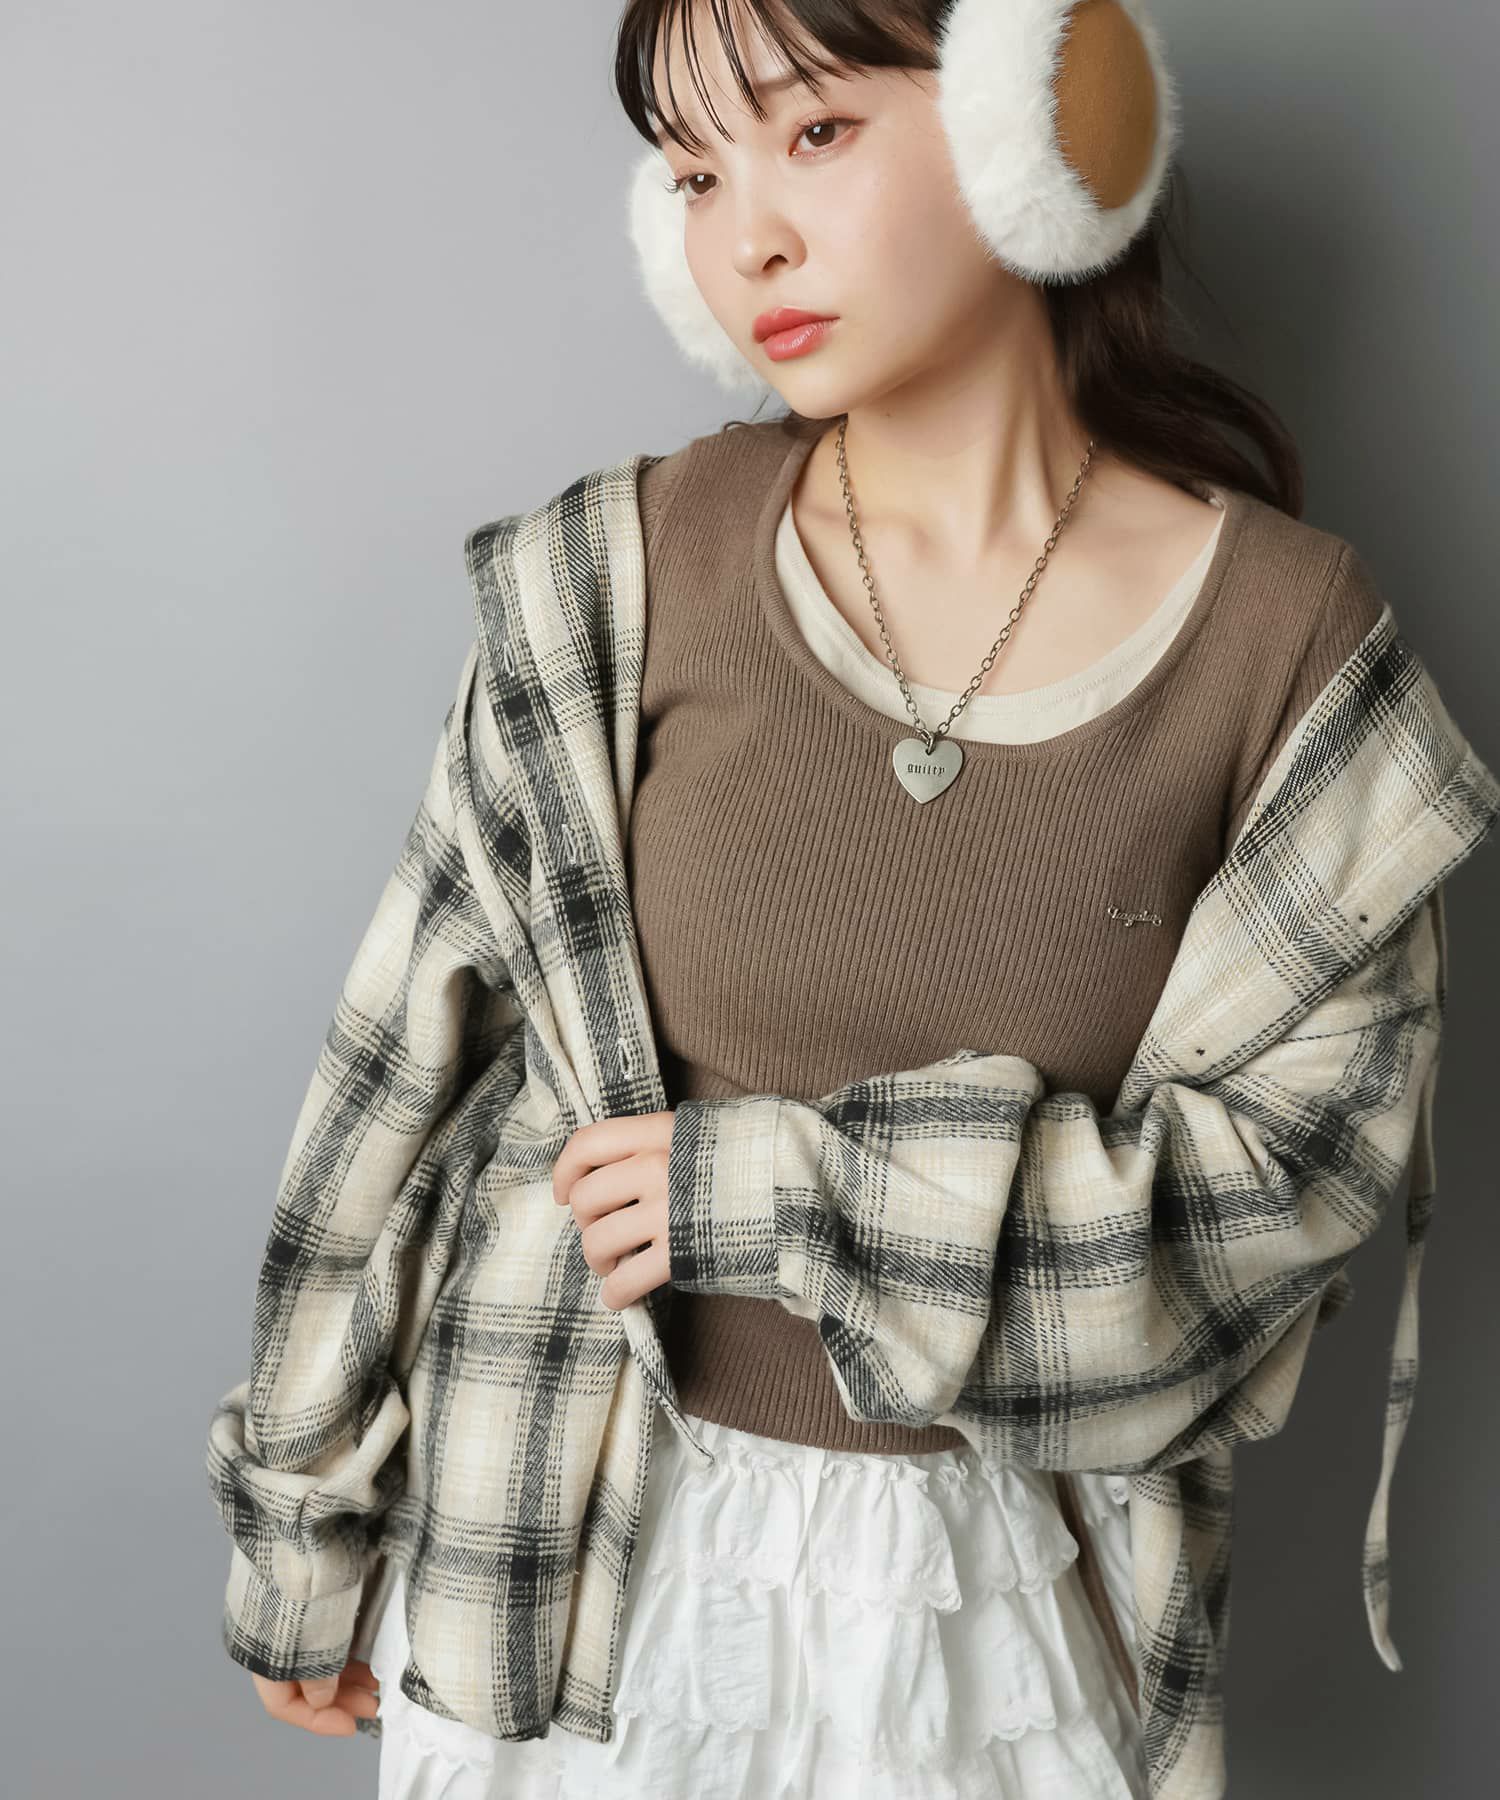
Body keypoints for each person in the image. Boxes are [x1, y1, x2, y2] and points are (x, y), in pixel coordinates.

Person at [204, 4, 1498, 1797]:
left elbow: (1278, 1201)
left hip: (995, 1618)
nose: (747, 239)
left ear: (1035, 117)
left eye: (814, 132)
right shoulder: (623, 576)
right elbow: (397, 1071)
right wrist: (298, 1521)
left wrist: (786, 1194)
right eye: (692, 173)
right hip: (552, 1583)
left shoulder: (1286, 647)